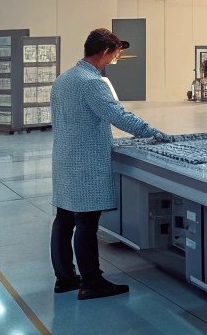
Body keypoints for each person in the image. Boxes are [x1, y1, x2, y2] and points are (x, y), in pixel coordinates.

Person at [50, 28, 166, 300]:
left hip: (64, 159)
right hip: (87, 164)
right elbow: (117, 115)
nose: (116, 58)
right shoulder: (92, 82)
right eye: (116, 54)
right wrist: (153, 133)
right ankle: (92, 283)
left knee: (64, 219)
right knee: (87, 222)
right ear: (104, 52)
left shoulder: (63, 79)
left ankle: (65, 278)